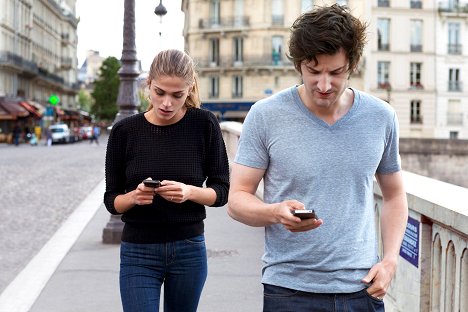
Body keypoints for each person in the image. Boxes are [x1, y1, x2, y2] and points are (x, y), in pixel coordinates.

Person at [227, 5, 408, 312]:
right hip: (289, 290)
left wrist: (390, 260)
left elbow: (394, 195)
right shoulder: (265, 115)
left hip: (361, 289)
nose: (324, 85)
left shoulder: (381, 117)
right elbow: (236, 200)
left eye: (335, 72)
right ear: (299, 65)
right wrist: (275, 212)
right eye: (314, 71)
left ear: (352, 64)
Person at [104, 49, 230, 312]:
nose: (167, 103)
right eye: (160, 92)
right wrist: (134, 197)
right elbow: (112, 201)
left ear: (189, 89)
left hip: (189, 250)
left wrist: (189, 192)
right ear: (148, 84)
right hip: (138, 251)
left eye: (177, 95)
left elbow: (221, 191)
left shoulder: (204, 124)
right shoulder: (124, 131)